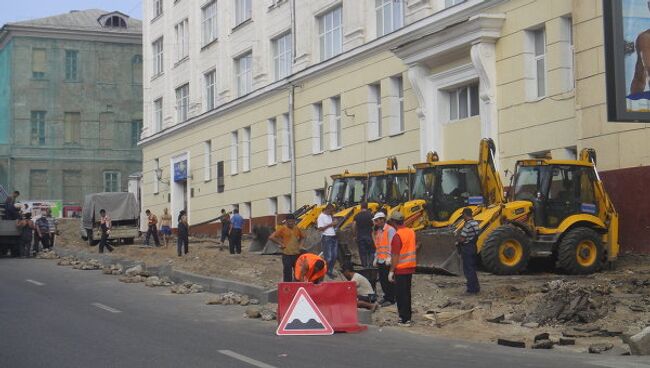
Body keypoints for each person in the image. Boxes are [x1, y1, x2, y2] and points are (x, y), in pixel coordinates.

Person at [388, 211, 416, 326]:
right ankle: (408, 317)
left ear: (394, 222)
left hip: (400, 269)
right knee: (407, 293)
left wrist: (391, 271)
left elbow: (395, 255)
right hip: (410, 267)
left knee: (400, 294)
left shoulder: (397, 236)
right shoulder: (411, 232)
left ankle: (403, 318)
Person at [268, 214, 305, 282]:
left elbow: (303, 237)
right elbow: (271, 237)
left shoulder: (296, 228)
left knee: (298, 272)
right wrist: (280, 243)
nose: (291, 223)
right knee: (287, 273)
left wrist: (300, 246)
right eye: (289, 221)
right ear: (286, 221)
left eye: (292, 221)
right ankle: (288, 288)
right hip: (286, 254)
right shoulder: (282, 228)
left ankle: (297, 286)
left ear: (294, 221)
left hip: (296, 254)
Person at [372, 211, 396, 306]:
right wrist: (376, 257)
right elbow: (378, 245)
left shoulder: (390, 230)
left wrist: (389, 257)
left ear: (382, 220)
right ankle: (387, 296)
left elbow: (391, 244)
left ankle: (391, 298)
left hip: (387, 260)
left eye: (377, 220)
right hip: (381, 259)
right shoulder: (379, 231)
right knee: (383, 280)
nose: (376, 223)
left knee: (388, 281)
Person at [457, 208, 481, 294]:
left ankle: (471, 289)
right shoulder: (476, 223)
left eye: (463, 215)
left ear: (465, 214)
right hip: (473, 247)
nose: (462, 216)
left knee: (468, 269)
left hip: (467, 249)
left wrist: (457, 240)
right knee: (472, 268)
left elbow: (463, 239)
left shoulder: (467, 225)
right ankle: (476, 287)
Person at [317, 203, 338, 279]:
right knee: (328, 257)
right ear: (327, 209)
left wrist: (334, 223)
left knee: (334, 256)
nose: (332, 213)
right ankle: (325, 272)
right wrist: (331, 224)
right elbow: (320, 229)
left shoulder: (330, 216)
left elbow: (332, 226)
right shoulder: (321, 217)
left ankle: (330, 272)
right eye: (331, 211)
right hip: (326, 237)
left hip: (333, 236)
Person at [353, 202, 374, 268]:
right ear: (367, 207)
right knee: (371, 251)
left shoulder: (357, 216)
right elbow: (374, 225)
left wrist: (355, 235)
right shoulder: (371, 215)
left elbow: (353, 226)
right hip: (369, 236)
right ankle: (370, 265)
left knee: (362, 252)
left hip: (360, 236)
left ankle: (364, 265)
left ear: (361, 207)